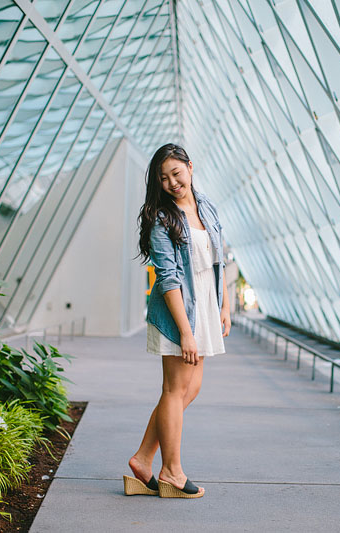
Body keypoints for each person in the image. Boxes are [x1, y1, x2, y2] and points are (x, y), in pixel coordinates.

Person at [124, 143, 231, 499]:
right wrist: (187, 332)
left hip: (204, 309)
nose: (172, 182)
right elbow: (168, 279)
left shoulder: (207, 207)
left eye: (176, 173)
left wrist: (224, 307)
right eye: (164, 177)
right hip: (177, 314)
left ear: (189, 167)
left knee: (189, 389)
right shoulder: (161, 218)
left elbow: (220, 261)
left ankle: (143, 459)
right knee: (174, 390)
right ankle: (171, 471)